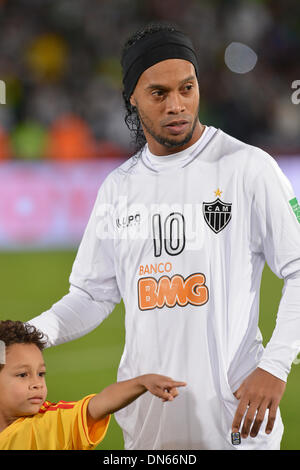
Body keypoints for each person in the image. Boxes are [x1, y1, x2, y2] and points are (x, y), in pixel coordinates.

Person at [28, 22, 300, 450]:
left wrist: (276, 366)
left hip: (236, 423)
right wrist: (29, 334)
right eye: (159, 93)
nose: (177, 105)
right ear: (132, 98)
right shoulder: (119, 188)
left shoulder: (248, 168)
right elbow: (93, 294)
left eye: (187, 88)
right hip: (148, 430)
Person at [0, 320, 186, 450]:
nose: (37, 384)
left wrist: (140, 382)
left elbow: (99, 404)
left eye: (41, 374)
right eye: (23, 375)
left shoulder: (50, 425)